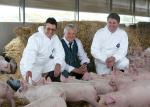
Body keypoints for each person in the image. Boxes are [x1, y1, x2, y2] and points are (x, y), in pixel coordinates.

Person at [7, 17, 65, 90]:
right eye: (48, 29)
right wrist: (29, 69)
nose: (50, 32)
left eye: (53, 30)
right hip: (33, 64)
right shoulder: (35, 38)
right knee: (32, 84)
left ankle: (47, 79)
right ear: (44, 27)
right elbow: (30, 54)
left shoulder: (55, 37)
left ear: (55, 30)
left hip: (44, 62)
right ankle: (17, 83)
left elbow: (60, 51)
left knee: (62, 64)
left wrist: (58, 63)